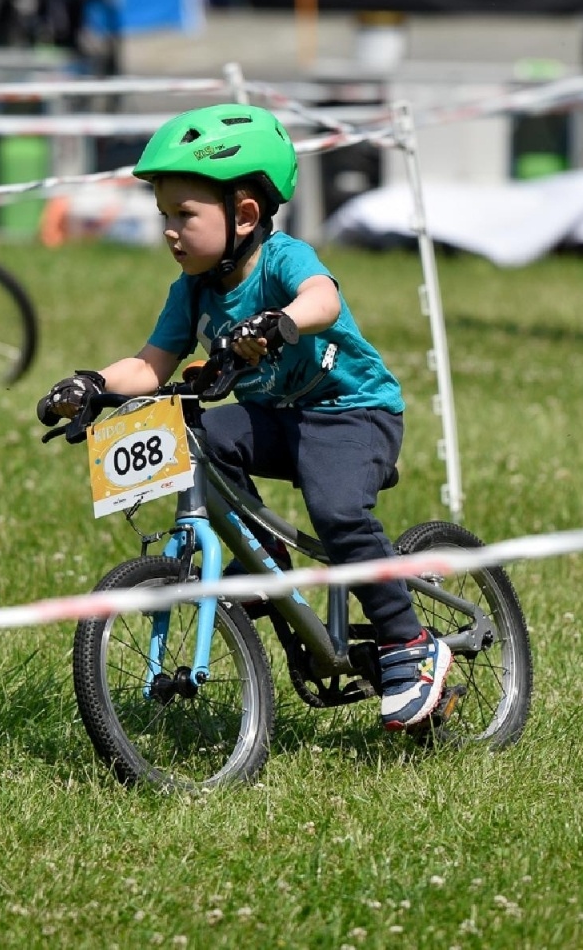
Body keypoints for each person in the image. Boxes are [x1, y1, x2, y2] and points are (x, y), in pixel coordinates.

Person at [35, 103, 452, 732]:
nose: (169, 231)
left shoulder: (282, 259)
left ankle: (410, 645)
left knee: (338, 513)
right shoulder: (193, 290)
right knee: (199, 433)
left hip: (351, 413)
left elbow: (322, 299)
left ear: (245, 215)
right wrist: (91, 384)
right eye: (164, 216)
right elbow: (149, 365)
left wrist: (279, 321)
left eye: (184, 215)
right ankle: (266, 561)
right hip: (277, 416)